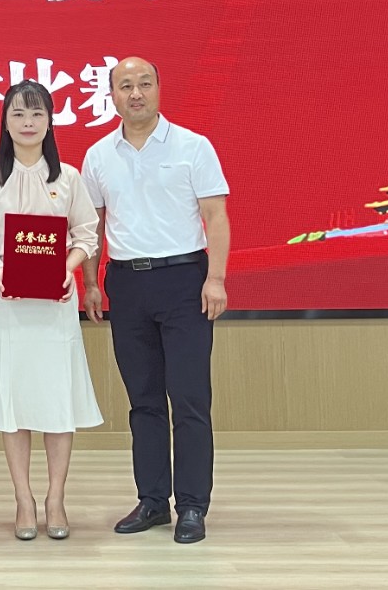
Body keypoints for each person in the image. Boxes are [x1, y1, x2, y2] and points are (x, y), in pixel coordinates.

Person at [81, 57, 230, 545]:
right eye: (125, 85)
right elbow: (93, 227)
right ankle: (152, 500)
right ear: (112, 96)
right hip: (126, 284)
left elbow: (216, 216)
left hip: (185, 281)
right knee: (143, 400)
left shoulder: (193, 146)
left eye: (145, 83)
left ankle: (192, 505)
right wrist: (91, 282)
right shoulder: (98, 155)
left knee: (189, 399)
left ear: (159, 88)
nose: (136, 93)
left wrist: (216, 278)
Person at [0, 81, 103, 541]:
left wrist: (69, 267)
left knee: (56, 400)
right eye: (18, 114)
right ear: (5, 122)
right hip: (9, 305)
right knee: (14, 401)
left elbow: (86, 234)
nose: (28, 123)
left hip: (55, 305)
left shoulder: (69, 179)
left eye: (37, 113)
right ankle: (23, 498)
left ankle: (55, 497)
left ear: (50, 121)